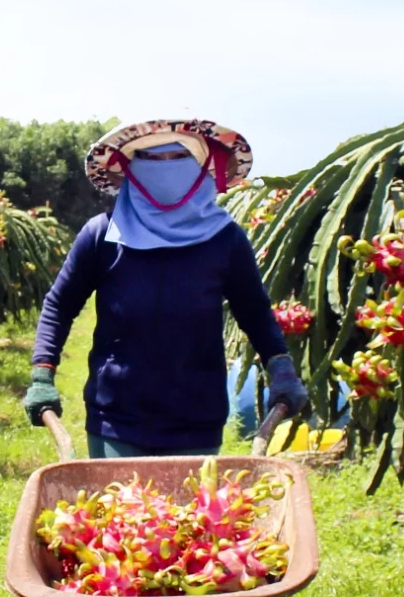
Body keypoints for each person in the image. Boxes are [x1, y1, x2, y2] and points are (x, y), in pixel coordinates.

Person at [23, 119, 309, 455]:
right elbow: (59, 305)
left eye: (179, 157)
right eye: (150, 158)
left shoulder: (225, 239)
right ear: (129, 167)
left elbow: (255, 313)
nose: (165, 168)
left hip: (197, 417)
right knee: (121, 507)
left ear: (202, 166)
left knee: (190, 509)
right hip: (116, 415)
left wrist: (280, 365)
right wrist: (43, 372)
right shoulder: (103, 235)